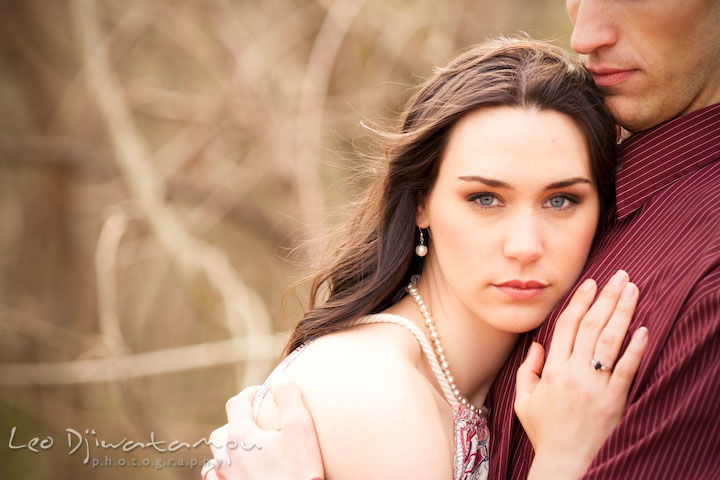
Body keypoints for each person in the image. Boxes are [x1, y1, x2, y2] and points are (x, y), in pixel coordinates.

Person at [202, 38, 650, 480]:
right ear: (421, 202)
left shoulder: (457, 383)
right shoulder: (375, 391)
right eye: (485, 198)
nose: (525, 246)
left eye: (561, 201)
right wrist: (563, 461)